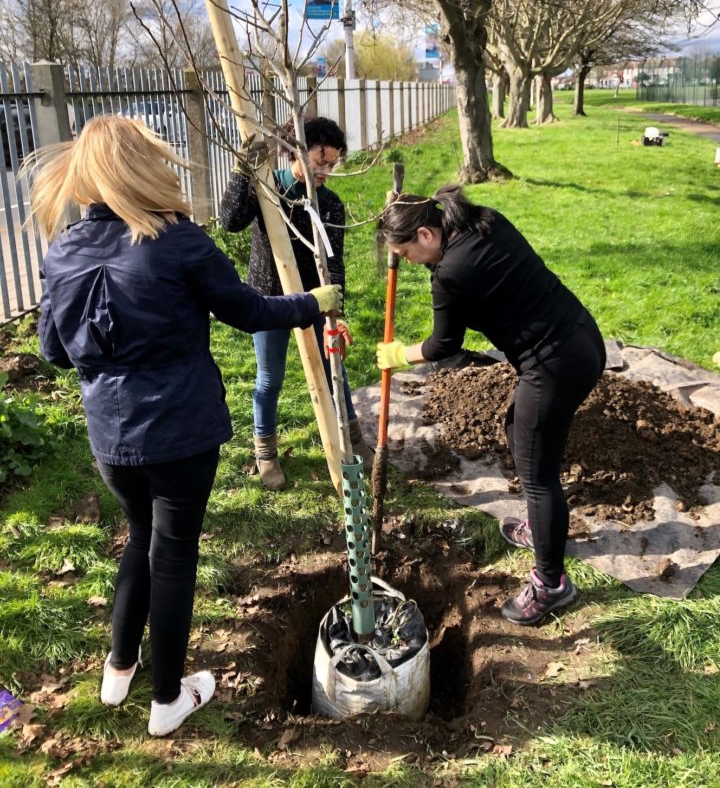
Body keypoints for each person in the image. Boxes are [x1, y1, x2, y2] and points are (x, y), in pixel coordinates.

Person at [26, 115, 342, 736]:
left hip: (110, 438)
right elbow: (248, 310)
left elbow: (56, 353)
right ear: (144, 168)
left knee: (138, 536)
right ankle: (168, 699)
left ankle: (119, 670)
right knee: (171, 556)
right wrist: (314, 302)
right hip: (178, 433)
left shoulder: (63, 249)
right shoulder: (176, 240)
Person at [375, 186, 605, 626]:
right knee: (519, 433)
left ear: (426, 234)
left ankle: (551, 585)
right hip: (582, 336)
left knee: (538, 477)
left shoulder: (450, 274)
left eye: (406, 253)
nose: (407, 262)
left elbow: (445, 344)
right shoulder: (484, 221)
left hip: (553, 366)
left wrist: (401, 354)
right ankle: (541, 531)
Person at [219, 116, 373, 490]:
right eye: (320, 161)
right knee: (269, 380)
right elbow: (229, 221)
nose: (326, 171)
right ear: (294, 152)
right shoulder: (267, 191)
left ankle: (353, 440)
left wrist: (335, 312)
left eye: (332, 165)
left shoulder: (330, 204)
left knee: (334, 371)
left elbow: (334, 263)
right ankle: (265, 452)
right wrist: (243, 172)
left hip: (315, 302)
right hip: (269, 300)